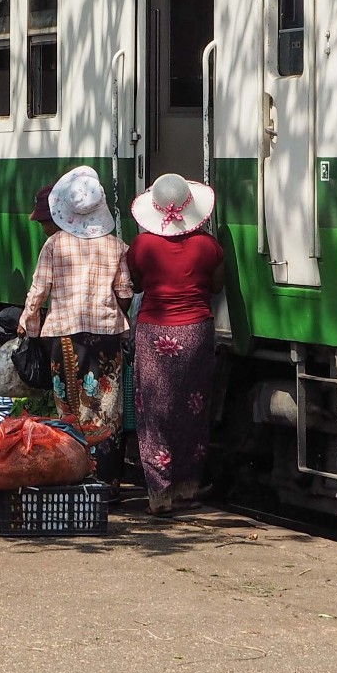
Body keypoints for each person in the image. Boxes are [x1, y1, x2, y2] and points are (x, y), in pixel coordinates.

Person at [126, 173, 224, 515]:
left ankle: (159, 493)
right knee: (192, 409)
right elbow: (215, 287)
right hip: (197, 332)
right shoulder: (208, 246)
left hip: (155, 332)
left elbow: (137, 285)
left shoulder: (142, 247)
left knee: (154, 411)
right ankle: (187, 485)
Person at [20, 165, 131, 457]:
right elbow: (125, 295)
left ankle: (75, 470)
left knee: (68, 408)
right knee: (105, 408)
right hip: (106, 336)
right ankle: (108, 478)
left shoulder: (54, 245)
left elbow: (39, 290)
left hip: (64, 336)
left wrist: (29, 326)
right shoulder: (117, 247)